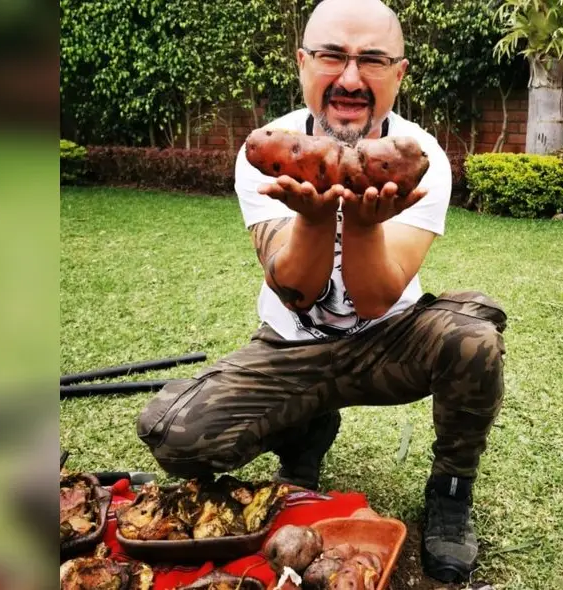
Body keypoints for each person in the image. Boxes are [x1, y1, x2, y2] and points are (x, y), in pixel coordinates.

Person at [136, 0, 507, 582]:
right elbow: (294, 291)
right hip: (290, 344)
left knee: (473, 341)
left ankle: (452, 492)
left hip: (390, 342)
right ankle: (304, 442)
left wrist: (360, 225)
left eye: (372, 60)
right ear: (303, 63)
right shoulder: (266, 150)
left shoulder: (420, 157)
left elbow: (377, 299)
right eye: (333, 56)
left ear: (399, 72)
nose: (351, 79)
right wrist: (311, 218)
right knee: (178, 435)